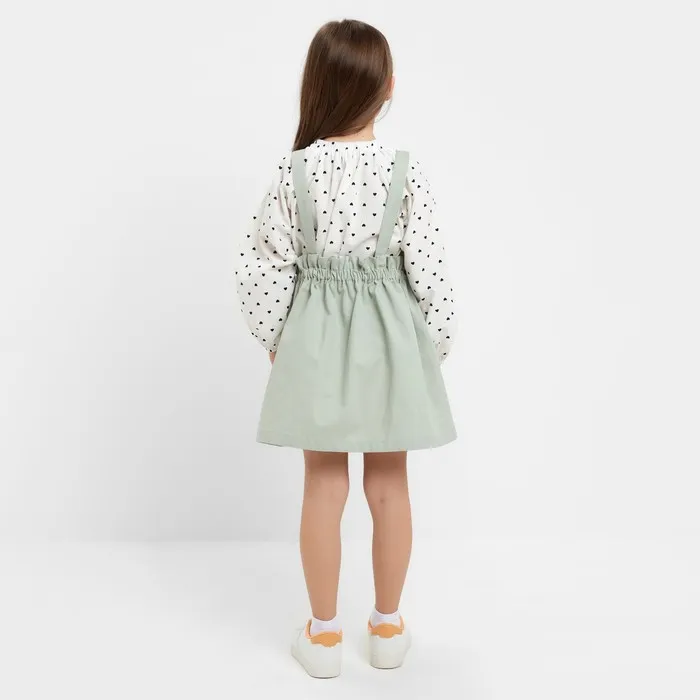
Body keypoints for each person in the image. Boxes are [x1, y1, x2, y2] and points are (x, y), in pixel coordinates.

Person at [235, 18, 457, 678]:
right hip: (392, 341)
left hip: (316, 341)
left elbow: (261, 264)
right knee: (389, 485)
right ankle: (387, 629)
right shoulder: (404, 172)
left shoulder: (293, 171)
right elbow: (431, 272)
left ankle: (324, 636)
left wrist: (279, 339)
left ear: (317, 86)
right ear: (388, 87)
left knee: (323, 485)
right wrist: (432, 347)